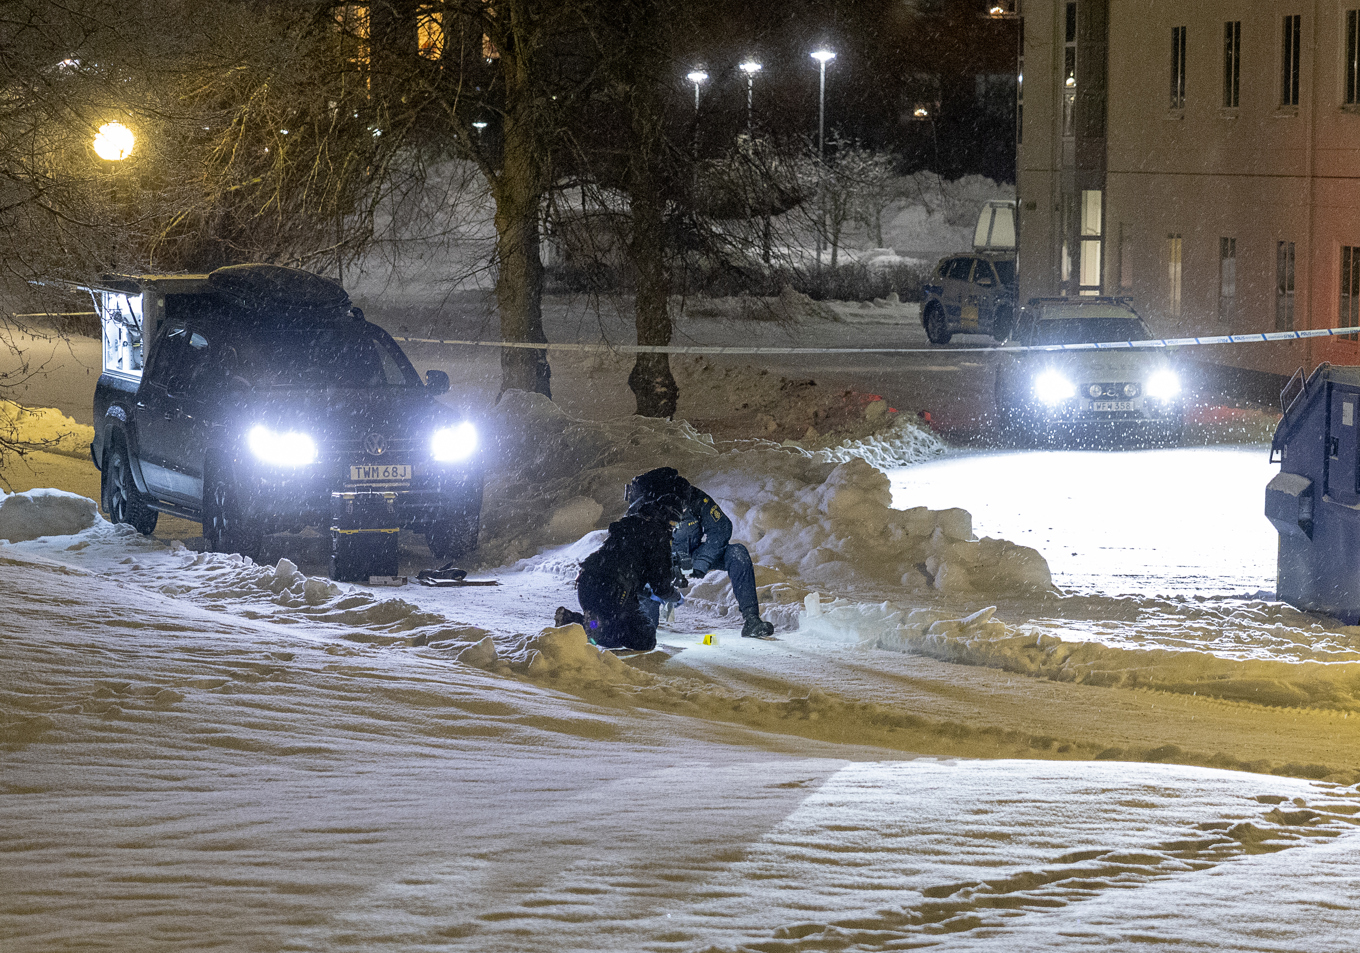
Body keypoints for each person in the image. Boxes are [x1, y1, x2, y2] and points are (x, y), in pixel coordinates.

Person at [624, 467, 776, 640]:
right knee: (646, 626)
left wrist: (700, 562)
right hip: (655, 562)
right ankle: (644, 626)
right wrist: (658, 569)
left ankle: (752, 620)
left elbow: (721, 528)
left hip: (693, 555)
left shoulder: (694, 497)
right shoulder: (642, 506)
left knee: (737, 553)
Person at [554, 495, 686, 651]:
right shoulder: (659, 536)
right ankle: (591, 626)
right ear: (668, 518)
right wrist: (676, 597)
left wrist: (647, 590)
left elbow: (631, 565)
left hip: (587, 580)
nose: (673, 528)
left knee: (610, 627)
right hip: (614, 590)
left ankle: (576, 621)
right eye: (674, 523)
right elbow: (661, 586)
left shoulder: (630, 523)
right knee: (644, 638)